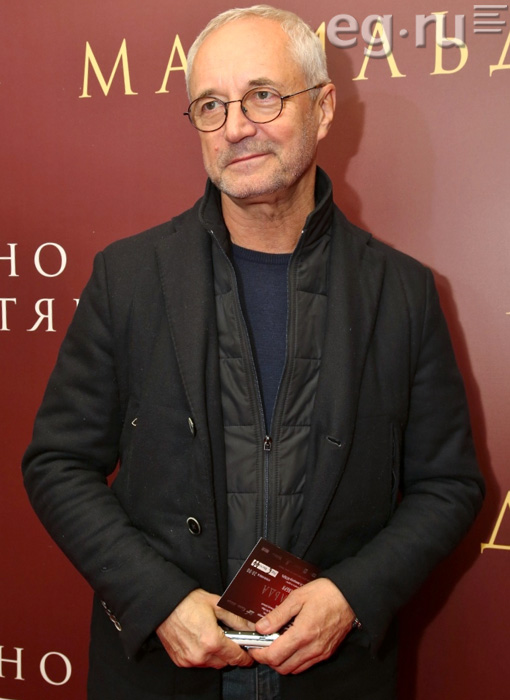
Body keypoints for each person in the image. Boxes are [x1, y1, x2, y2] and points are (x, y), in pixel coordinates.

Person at [22, 5, 484, 700]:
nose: (236, 127)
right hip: (165, 675)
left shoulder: (404, 293)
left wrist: (352, 596)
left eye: (263, 96)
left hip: (332, 679)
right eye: (211, 105)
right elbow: (58, 463)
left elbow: (447, 486)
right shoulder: (129, 277)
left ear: (323, 109)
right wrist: (156, 599)